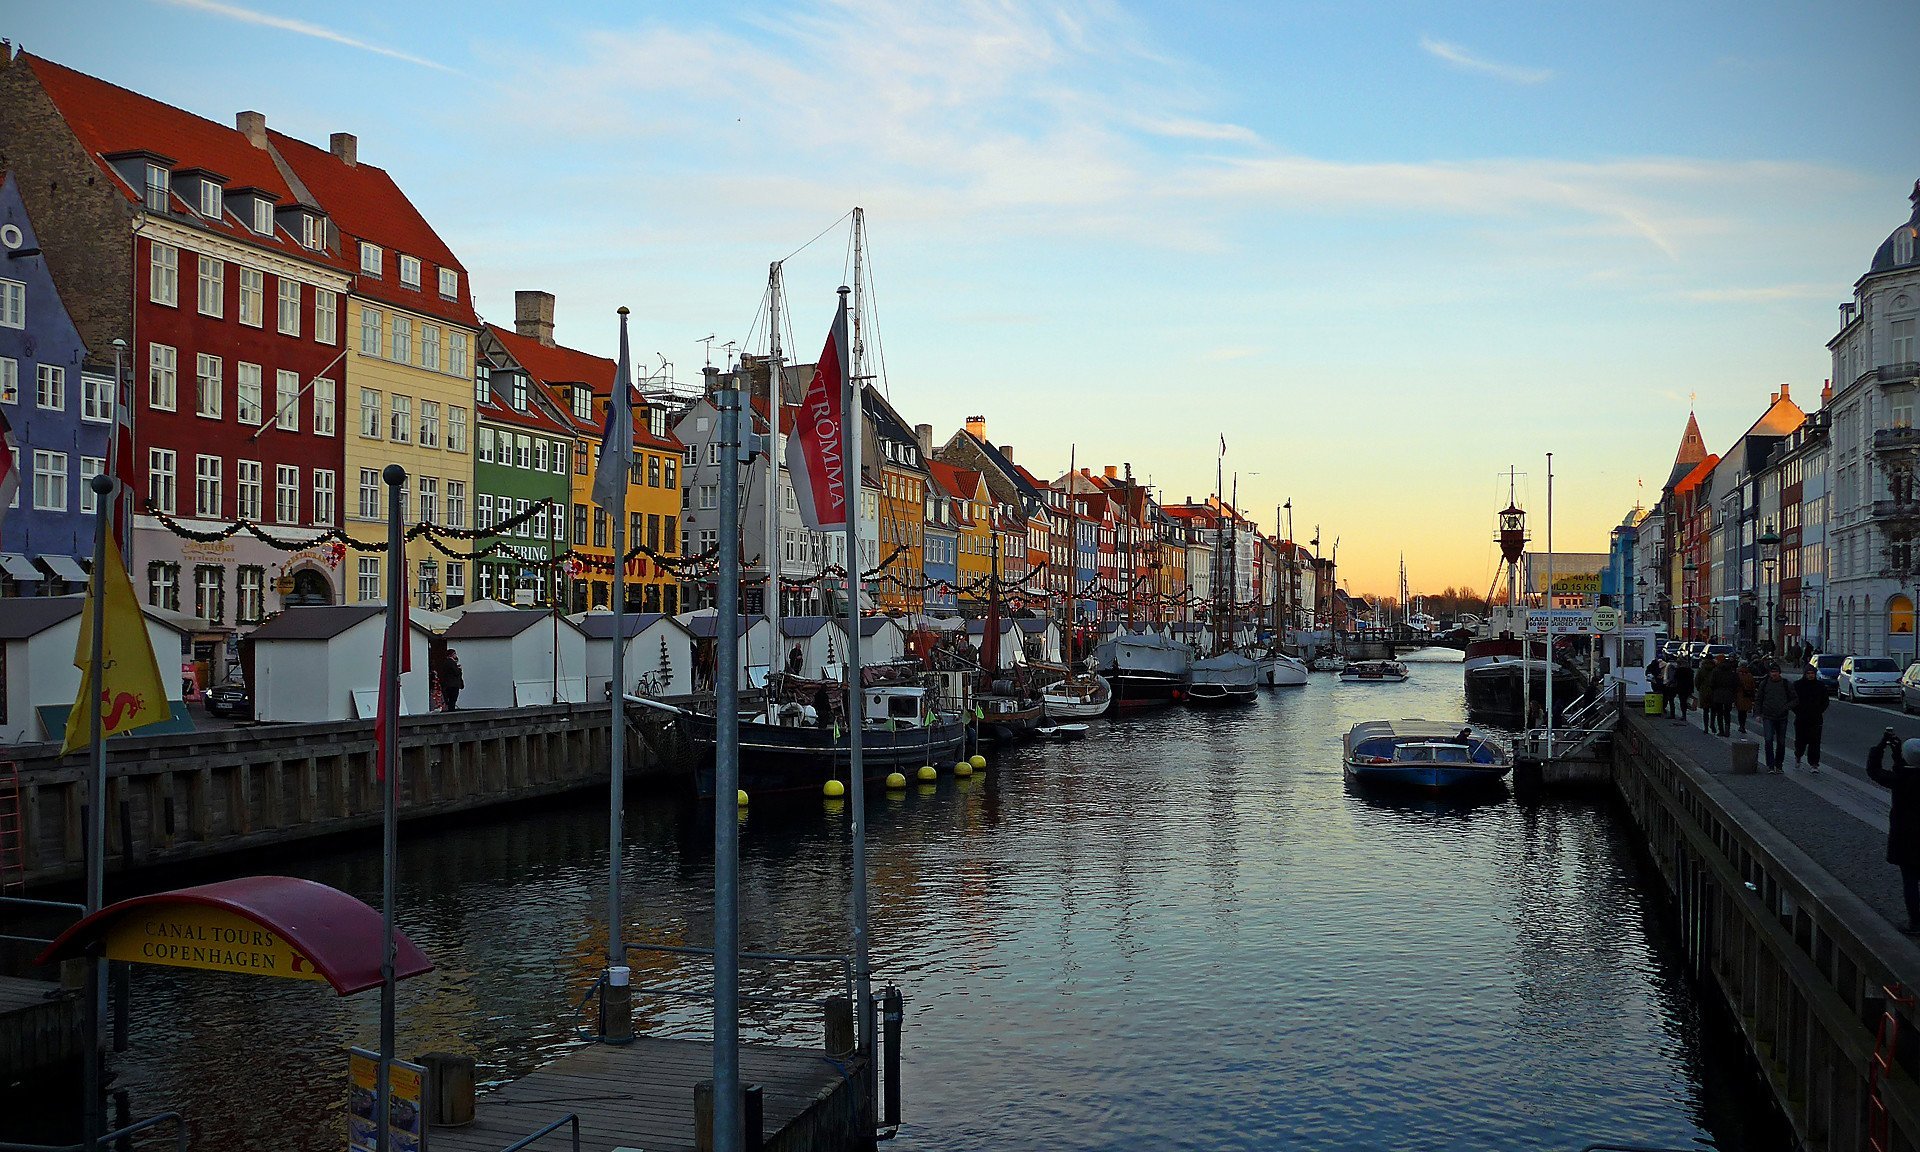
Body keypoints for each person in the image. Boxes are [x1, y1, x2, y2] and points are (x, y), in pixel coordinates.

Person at [1866, 732, 1920, 935]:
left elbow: (1874, 770)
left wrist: (1881, 747)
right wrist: (1899, 756)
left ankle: (1916, 922)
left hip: (1906, 837)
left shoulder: (1901, 780)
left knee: (1910, 881)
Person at [1754, 664, 1792, 772]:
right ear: (1769, 673)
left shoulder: (1785, 684)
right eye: (1772, 672)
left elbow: (1794, 699)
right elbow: (1759, 699)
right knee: (1768, 740)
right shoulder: (1765, 683)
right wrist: (1758, 713)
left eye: (1776, 671)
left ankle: (1779, 764)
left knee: (1781, 742)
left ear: (1779, 672)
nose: (1774, 674)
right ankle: (1770, 765)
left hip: (1782, 717)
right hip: (1768, 716)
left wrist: (1786, 707)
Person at [1792, 662, 1829, 771]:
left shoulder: (1820, 686)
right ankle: (1798, 755)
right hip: (1801, 718)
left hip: (1816, 718)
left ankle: (1814, 763)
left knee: (1815, 742)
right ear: (1805, 674)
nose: (1810, 675)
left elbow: (1825, 701)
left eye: (1812, 673)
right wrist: (1798, 711)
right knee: (1800, 741)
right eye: (1808, 673)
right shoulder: (1797, 685)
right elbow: (1792, 700)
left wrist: (1819, 710)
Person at [1710, 653, 1738, 736]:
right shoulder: (1731, 670)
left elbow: (1712, 683)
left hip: (1718, 694)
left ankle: (1721, 730)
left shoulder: (1716, 670)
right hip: (1729, 694)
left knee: (1719, 713)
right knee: (1727, 713)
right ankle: (1727, 729)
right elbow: (1735, 682)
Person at [1694, 656, 1717, 731]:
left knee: (1705, 710)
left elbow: (1697, 681)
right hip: (1714, 691)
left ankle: (1706, 727)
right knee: (1713, 710)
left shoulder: (1701, 670)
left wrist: (1699, 688)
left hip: (1704, 691)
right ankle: (1712, 724)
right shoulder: (1715, 669)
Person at [1735, 662, 1758, 735]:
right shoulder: (1749, 675)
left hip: (1739, 695)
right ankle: (1743, 725)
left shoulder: (1737, 675)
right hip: (1747, 696)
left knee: (1740, 711)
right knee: (1744, 712)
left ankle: (1741, 725)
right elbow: (1753, 686)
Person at [1670, 657, 1695, 722]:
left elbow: (1674, 678)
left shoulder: (1678, 671)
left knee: (1682, 701)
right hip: (1688, 687)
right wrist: (1692, 689)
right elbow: (1692, 681)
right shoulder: (1689, 670)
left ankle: (1684, 715)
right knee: (1686, 700)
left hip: (1680, 687)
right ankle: (1685, 713)